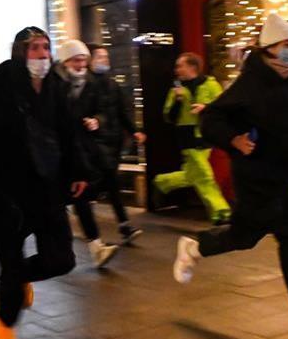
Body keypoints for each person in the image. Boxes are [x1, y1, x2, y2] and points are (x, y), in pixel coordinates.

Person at [172, 13, 288, 339]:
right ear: (268, 49)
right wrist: (233, 139)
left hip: (286, 175)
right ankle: (194, 246)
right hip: (255, 177)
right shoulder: (249, 83)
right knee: (245, 237)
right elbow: (212, 119)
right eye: (286, 44)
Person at [0, 26, 88, 339]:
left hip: (47, 188)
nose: (41, 54)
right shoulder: (1, 84)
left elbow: (68, 133)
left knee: (61, 259)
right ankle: (5, 319)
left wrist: (77, 170)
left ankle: (15, 282)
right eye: (34, 48)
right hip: (8, 192)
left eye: (45, 47)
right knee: (10, 260)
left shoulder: (55, 86)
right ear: (20, 52)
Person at [57, 40, 118, 268]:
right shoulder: (55, 84)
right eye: (76, 60)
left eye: (83, 60)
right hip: (58, 153)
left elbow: (102, 110)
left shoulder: (90, 83)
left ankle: (96, 247)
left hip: (79, 150)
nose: (81, 64)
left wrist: (96, 121)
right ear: (65, 62)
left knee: (80, 197)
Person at [152, 52, 232, 225]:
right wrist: (179, 101)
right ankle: (221, 211)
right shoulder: (177, 89)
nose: (176, 70)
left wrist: (205, 107)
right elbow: (168, 116)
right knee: (204, 175)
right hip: (187, 137)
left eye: (180, 66)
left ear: (192, 67)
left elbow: (222, 106)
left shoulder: (210, 84)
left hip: (206, 136)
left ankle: (162, 182)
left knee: (192, 175)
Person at [87, 43, 145, 244]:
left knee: (108, 184)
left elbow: (122, 112)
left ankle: (122, 225)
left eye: (106, 57)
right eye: (99, 57)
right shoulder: (86, 84)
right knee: (110, 183)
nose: (104, 60)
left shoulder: (113, 85)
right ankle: (123, 226)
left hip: (113, 142)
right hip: (95, 144)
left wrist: (135, 131)